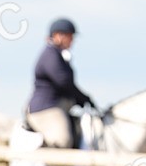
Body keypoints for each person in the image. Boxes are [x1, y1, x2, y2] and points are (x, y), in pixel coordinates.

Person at [26, 18, 95, 148]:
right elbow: (64, 82)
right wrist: (83, 98)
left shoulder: (58, 55)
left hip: (58, 106)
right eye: (70, 36)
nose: (72, 40)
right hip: (46, 108)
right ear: (58, 35)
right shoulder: (50, 55)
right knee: (62, 140)